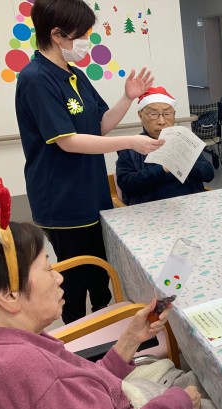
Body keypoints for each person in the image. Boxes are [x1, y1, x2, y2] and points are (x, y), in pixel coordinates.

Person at [0, 214, 222, 409]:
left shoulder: (11, 347)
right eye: (47, 269)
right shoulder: (32, 372)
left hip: (122, 407)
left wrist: (131, 339)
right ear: (9, 296)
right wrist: (177, 404)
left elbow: (82, 387)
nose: (58, 277)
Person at [15, 0, 163, 324]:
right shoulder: (36, 79)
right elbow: (68, 142)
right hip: (63, 202)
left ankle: (107, 334)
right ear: (57, 35)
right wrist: (131, 142)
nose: (86, 41)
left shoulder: (75, 75)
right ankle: (78, 342)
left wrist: (128, 97)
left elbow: (100, 125)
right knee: (74, 284)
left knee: (100, 277)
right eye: (81, 35)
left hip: (92, 195)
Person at [116, 87, 215, 206]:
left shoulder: (184, 140)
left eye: (167, 114)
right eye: (153, 114)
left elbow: (209, 175)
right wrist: (162, 169)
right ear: (140, 116)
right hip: (150, 209)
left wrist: (186, 163)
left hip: (190, 205)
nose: (161, 121)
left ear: (174, 115)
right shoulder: (132, 147)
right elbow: (126, 185)